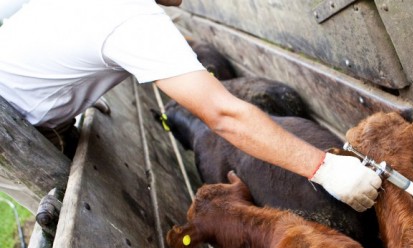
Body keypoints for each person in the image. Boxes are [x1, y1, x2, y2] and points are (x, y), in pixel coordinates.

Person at [0, 0, 381, 214]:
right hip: (15, 138)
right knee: (53, 206)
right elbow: (223, 114)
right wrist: (325, 168)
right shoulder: (130, 19)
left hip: (22, 101)